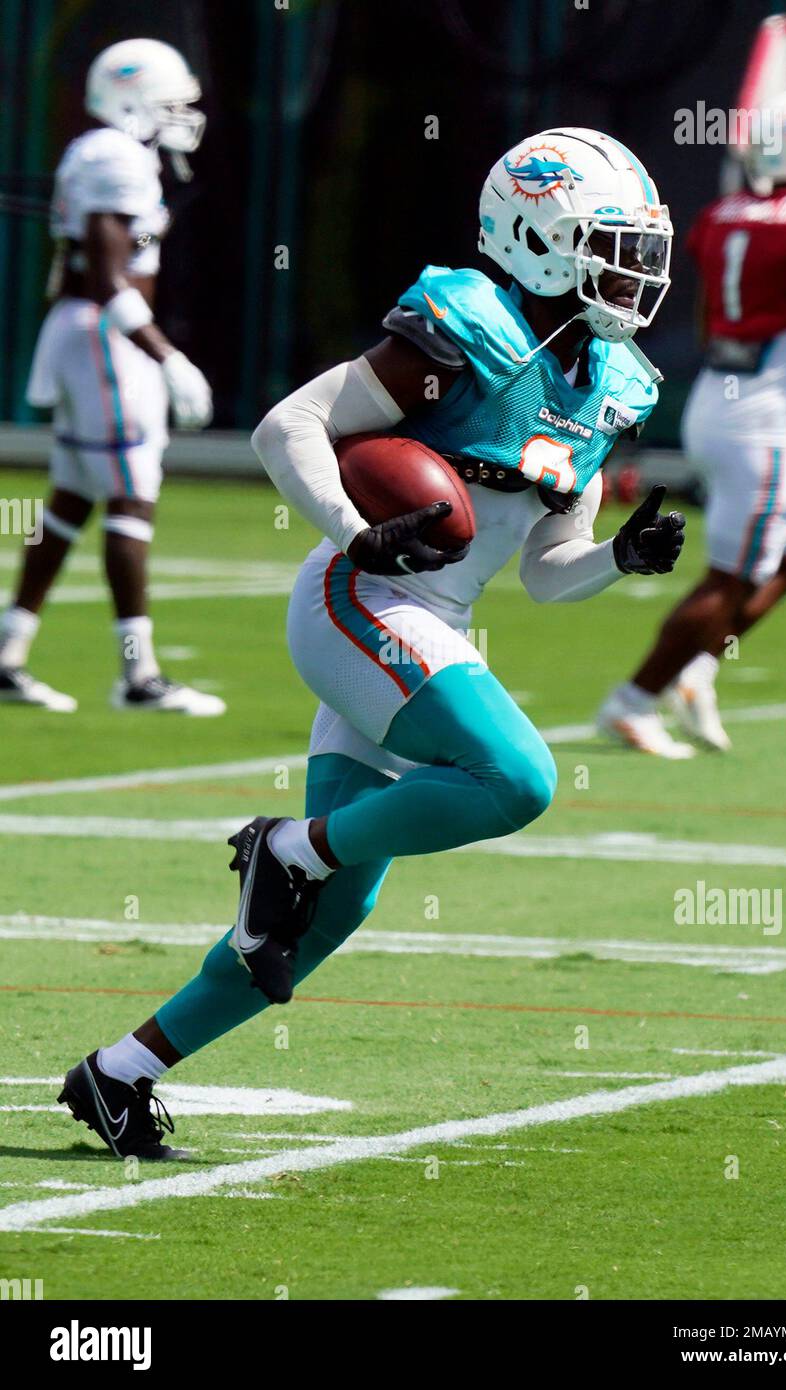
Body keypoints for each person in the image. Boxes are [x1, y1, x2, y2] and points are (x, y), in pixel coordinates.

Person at [58, 127, 685, 1158]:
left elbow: (543, 570)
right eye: (610, 243)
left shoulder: (608, 380)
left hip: (427, 625)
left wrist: (620, 557)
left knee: (322, 919)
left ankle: (118, 1072)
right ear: (537, 234)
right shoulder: (466, 324)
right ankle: (283, 846)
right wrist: (355, 531)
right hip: (358, 595)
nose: (632, 271)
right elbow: (285, 428)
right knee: (519, 778)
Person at [598, 88, 786, 757]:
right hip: (764, 421)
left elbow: (713, 318)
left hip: (718, 404)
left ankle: (699, 665)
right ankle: (633, 700)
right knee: (730, 575)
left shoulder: (722, 214)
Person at [0, 38, 224, 715]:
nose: (185, 115)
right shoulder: (116, 157)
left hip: (93, 334)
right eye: (171, 102)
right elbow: (105, 278)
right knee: (131, 496)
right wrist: (166, 356)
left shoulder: (114, 155)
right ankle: (139, 677)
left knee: (72, 497)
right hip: (105, 338)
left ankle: (7, 656)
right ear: (132, 100)